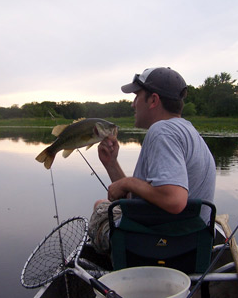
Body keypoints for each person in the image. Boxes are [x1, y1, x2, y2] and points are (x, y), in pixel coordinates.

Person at [88, 67, 216, 254]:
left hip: (159, 245)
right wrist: (112, 164)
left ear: (153, 100)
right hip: (190, 243)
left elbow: (174, 200)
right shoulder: (187, 131)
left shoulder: (162, 132)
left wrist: (128, 182)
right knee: (107, 205)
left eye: (137, 96)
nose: (133, 104)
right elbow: (145, 199)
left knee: (101, 206)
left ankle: (122, 267)